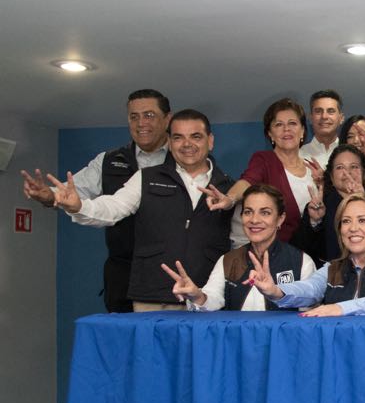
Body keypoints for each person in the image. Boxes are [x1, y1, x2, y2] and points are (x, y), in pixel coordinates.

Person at [48, 109, 234, 311]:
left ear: (210, 141)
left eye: (196, 136)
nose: (187, 144)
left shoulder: (229, 189)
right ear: (170, 142)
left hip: (208, 299)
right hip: (153, 298)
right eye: (178, 137)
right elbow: (114, 207)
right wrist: (80, 206)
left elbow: (242, 240)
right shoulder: (146, 178)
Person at [21, 89, 171, 312]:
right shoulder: (109, 161)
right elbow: (72, 192)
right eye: (134, 116)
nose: (141, 123)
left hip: (171, 273)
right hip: (123, 273)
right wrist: (49, 196)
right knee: (120, 333)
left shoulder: (185, 158)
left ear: (167, 119)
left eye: (149, 115)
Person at [249, 193, 365, 316]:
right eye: (346, 221)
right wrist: (275, 291)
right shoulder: (332, 269)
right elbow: (310, 288)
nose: (353, 228)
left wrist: (341, 308)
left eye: (362, 220)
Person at [160, 184, 315, 311]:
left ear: (280, 219)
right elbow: (212, 300)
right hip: (237, 338)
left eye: (265, 213)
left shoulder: (301, 261)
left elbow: (309, 313)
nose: (254, 220)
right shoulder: (228, 260)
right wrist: (197, 296)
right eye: (248, 212)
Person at [205, 99, 318, 245]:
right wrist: (229, 199)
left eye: (292, 123)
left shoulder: (314, 167)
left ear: (302, 130)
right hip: (272, 250)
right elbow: (247, 181)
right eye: (279, 124)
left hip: (312, 250)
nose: (286, 129)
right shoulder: (264, 160)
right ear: (270, 134)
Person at [291, 143, 365, 265]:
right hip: (331, 272)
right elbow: (298, 250)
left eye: (354, 166)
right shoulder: (318, 206)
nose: (347, 172)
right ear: (331, 177)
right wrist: (315, 221)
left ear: (364, 173)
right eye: (340, 167)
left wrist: (363, 201)